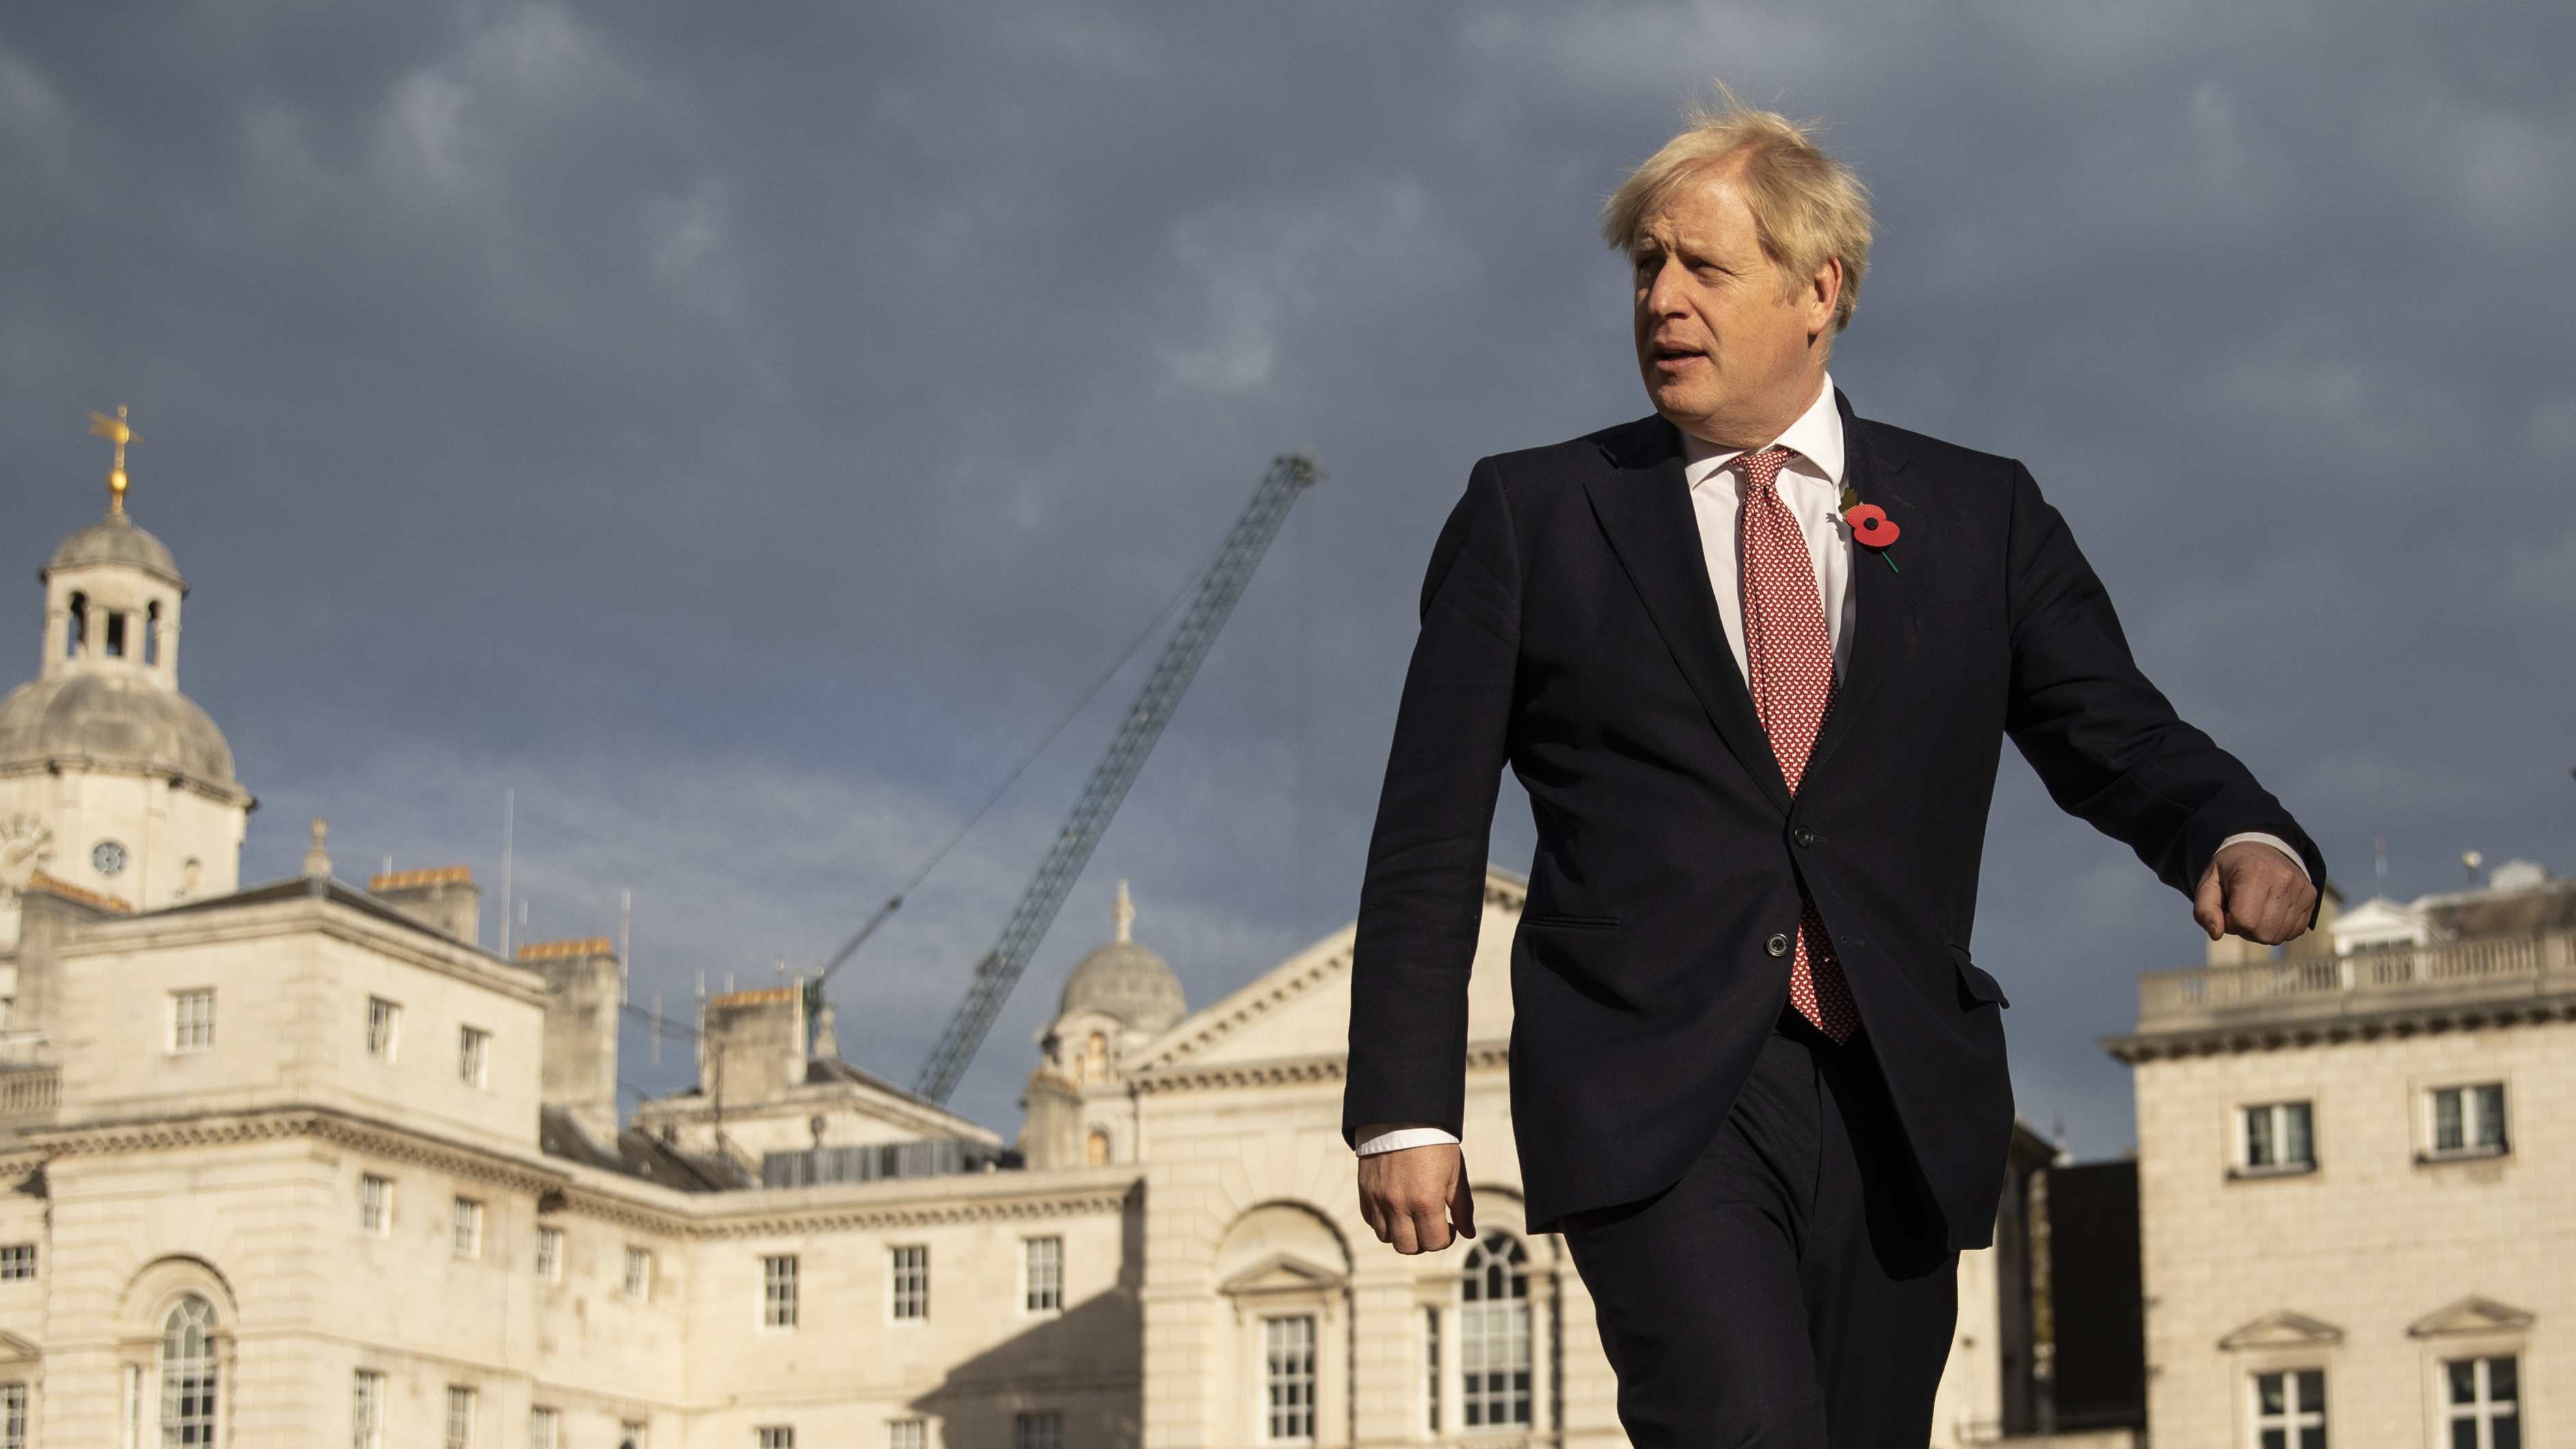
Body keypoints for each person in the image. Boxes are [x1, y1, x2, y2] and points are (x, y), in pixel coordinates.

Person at [1341, 97, 2320, 1447]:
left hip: (1896, 1090)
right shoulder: (1533, 516)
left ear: (1819, 290)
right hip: (1652, 1089)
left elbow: (2117, 732)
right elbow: (1427, 831)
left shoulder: (1980, 514)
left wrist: (2236, 831)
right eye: (1644, 267)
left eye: (1701, 266)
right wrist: (1403, 1105)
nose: (1661, 298)